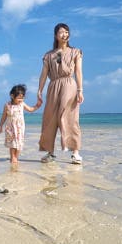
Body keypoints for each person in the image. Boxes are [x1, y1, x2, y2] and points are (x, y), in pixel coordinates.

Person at [37, 23, 84, 164]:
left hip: (69, 84)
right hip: (53, 86)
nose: (64, 34)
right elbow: (44, 74)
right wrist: (39, 90)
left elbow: (78, 72)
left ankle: (75, 152)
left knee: (69, 116)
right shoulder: (50, 55)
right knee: (50, 118)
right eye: (61, 32)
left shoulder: (76, 52)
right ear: (55, 35)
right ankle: (50, 152)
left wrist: (80, 90)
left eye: (66, 32)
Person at [0, 84, 41, 164]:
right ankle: (12, 158)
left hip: (20, 129)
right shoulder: (7, 105)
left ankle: (16, 157)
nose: (21, 99)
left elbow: (31, 109)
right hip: (10, 128)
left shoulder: (22, 104)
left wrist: (37, 106)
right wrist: (0, 126)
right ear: (12, 96)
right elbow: (4, 117)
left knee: (19, 144)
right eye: (19, 98)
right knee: (12, 144)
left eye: (22, 97)